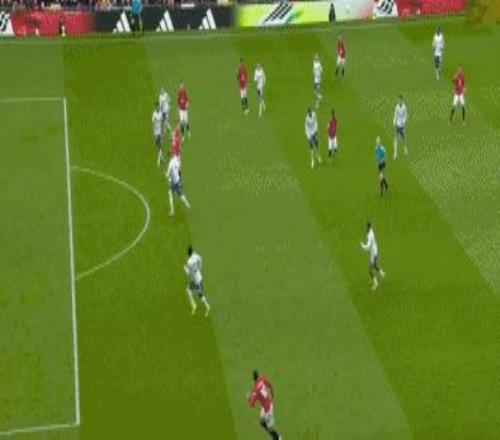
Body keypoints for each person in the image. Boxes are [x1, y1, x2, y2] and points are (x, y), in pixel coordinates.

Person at [247, 370, 281, 440]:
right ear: (258, 375)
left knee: (270, 428)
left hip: (268, 410)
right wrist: (272, 394)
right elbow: (270, 384)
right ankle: (272, 434)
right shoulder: (262, 378)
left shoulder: (255, 390)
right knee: (262, 422)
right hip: (267, 406)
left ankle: (277, 437)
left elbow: (251, 405)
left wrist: (248, 398)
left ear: (253, 379)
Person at [184, 246, 210, 317]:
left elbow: (189, 273)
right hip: (198, 277)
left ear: (188, 253)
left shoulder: (189, 262)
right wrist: (200, 266)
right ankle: (194, 305)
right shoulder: (195, 255)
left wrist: (185, 269)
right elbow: (200, 258)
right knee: (189, 290)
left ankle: (207, 306)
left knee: (200, 295)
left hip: (196, 280)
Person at [360, 222, 386, 291]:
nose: (365, 228)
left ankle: (376, 283)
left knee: (369, 270)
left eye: (366, 227)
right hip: (375, 251)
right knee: (374, 265)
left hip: (373, 253)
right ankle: (382, 273)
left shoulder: (370, 236)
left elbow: (367, 247)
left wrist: (362, 246)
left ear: (369, 227)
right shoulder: (370, 231)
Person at [393, 95, 408, 159]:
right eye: (398, 100)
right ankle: (395, 153)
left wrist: (404, 121)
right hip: (398, 125)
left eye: (400, 100)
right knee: (396, 138)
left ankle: (405, 148)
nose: (399, 101)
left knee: (403, 138)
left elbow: (406, 114)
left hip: (402, 125)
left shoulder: (404, 107)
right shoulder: (396, 107)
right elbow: (395, 114)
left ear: (402, 100)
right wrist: (394, 121)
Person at [152, 102, 164, 167]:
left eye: (158, 107)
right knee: (157, 144)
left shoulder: (161, 113)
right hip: (155, 130)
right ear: (156, 107)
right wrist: (153, 129)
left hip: (160, 130)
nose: (158, 108)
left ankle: (158, 160)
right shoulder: (154, 113)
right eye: (157, 107)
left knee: (160, 144)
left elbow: (162, 121)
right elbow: (153, 122)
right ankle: (161, 156)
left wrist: (162, 130)